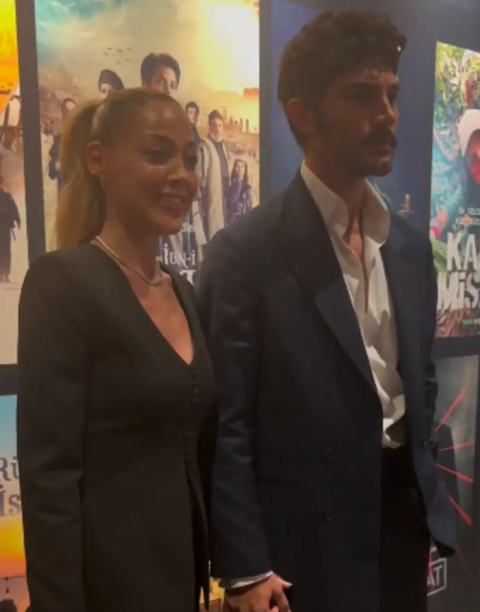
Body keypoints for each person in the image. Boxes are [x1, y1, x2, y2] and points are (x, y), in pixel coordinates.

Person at [196, 11, 456, 612]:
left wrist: (425, 491)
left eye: (391, 94)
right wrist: (244, 568)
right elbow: (227, 423)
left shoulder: (409, 247)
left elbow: (418, 384)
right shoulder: (245, 253)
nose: (387, 114)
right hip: (304, 540)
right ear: (301, 115)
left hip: (401, 523)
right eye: (362, 95)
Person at [17, 88, 217, 612]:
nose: (180, 175)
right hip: (104, 589)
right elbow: (49, 478)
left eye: (189, 159)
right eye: (156, 154)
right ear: (97, 159)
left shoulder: (182, 290)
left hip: (180, 582)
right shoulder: (62, 282)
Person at [197, 110, 230, 241]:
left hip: (224, 194)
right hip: (212, 194)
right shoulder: (204, 145)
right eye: (214, 125)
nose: (217, 128)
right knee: (212, 228)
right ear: (209, 126)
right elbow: (199, 174)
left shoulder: (223, 145)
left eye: (220, 125)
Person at [48, 97, 76, 192]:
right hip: (65, 191)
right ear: (63, 114)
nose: (70, 115)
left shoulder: (85, 137)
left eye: (73, 111)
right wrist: (58, 164)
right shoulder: (59, 140)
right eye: (67, 111)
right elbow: (52, 172)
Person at [0, 175, 21, 283]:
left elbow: (13, 209)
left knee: (6, 250)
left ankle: (5, 273)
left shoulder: (7, 196)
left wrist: (18, 220)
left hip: (5, 227)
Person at [225, 159, 252, 226]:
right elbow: (227, 206)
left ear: (245, 169)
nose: (240, 169)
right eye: (237, 166)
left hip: (243, 220)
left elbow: (249, 208)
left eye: (242, 166)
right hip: (231, 221)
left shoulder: (247, 188)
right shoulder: (230, 188)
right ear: (234, 169)